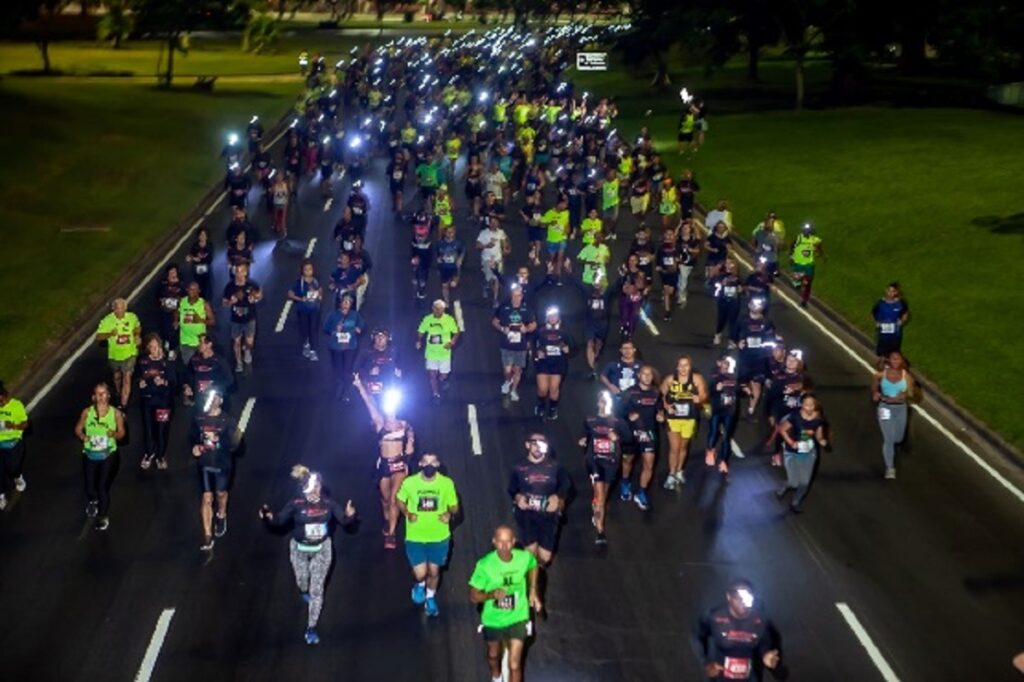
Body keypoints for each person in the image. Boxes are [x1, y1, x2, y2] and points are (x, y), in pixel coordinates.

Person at [259, 465, 358, 645]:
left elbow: (344, 521)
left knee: (316, 590)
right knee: (302, 581)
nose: (315, 491)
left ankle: (311, 627)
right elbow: (279, 521)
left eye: (318, 487)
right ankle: (304, 589)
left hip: (322, 549)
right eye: (312, 487)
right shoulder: (295, 504)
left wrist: (350, 516)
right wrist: (268, 516)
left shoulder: (329, 504)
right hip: (299, 549)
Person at [468, 525, 542, 682]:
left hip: (518, 616)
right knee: (493, 655)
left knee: (515, 665)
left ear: (514, 542)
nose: (504, 546)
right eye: (500, 542)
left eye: (508, 542)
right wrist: (491, 594)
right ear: (494, 542)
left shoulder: (523, 557)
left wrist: (533, 590)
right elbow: (473, 596)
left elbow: (533, 565)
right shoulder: (485, 565)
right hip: (493, 619)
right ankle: (496, 676)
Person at [396, 452, 460, 617]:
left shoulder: (446, 484)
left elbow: (455, 507)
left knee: (434, 572)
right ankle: (419, 584)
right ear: (421, 464)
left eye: (433, 462)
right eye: (426, 462)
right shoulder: (410, 483)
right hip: (415, 536)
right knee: (420, 573)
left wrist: (449, 514)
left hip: (439, 537)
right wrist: (407, 513)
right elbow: (400, 500)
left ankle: (430, 598)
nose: (430, 465)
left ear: (438, 464)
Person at [353, 381, 414, 550]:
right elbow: (369, 404)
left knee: (394, 499)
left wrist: (410, 444)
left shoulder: (404, 424)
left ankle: (391, 534)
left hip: (399, 464)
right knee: (386, 500)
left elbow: (410, 439)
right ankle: (388, 519)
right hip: (384, 465)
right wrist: (359, 387)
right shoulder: (379, 422)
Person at [694, 580, 781, 681]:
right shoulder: (714, 616)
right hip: (719, 676)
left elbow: (764, 643)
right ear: (729, 597)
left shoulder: (760, 619)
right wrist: (705, 662)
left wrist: (766, 655)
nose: (743, 602)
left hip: (749, 677)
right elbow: (697, 636)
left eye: (747, 598)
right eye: (738, 598)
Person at [508, 434, 571, 567]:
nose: (537, 447)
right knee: (530, 553)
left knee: (545, 557)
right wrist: (518, 498)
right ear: (527, 445)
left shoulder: (555, 466)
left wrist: (558, 498)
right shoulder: (519, 467)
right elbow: (512, 489)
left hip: (548, 516)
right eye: (534, 443)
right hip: (527, 516)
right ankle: (532, 582)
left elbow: (566, 485)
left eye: (541, 443)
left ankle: (537, 570)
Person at [579, 391, 630, 545]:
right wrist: (583, 440)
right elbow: (585, 434)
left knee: (603, 494)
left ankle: (596, 505)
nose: (603, 404)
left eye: (606, 402)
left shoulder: (618, 421)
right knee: (601, 496)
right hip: (594, 461)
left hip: (611, 461)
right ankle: (600, 532)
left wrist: (618, 438)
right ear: (597, 403)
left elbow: (629, 438)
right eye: (601, 401)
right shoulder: (590, 419)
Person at [191, 389, 239, 550]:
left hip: (222, 463)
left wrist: (219, 439)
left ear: (221, 401)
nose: (212, 401)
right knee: (206, 498)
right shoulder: (199, 418)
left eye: (215, 398)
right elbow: (192, 436)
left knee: (220, 494)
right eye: (209, 398)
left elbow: (235, 444)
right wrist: (195, 447)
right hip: (204, 463)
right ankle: (207, 536)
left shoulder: (228, 420)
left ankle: (221, 514)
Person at [74, 383, 126, 530]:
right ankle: (93, 500)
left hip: (107, 454)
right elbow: (78, 428)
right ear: (93, 397)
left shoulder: (115, 413)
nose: (101, 397)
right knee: (90, 488)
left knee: (102, 487)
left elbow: (122, 434)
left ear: (109, 395)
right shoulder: (87, 412)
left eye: (104, 393)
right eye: (98, 394)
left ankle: (102, 516)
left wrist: (114, 434)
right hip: (90, 454)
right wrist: (82, 436)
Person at [775, 393, 828, 513]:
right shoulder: (795, 416)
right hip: (792, 452)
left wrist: (822, 441)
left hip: (809, 453)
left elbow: (819, 435)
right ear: (802, 405)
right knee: (794, 482)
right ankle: (785, 485)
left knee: (804, 482)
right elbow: (782, 429)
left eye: (812, 405)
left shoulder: (818, 419)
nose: (809, 408)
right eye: (806, 405)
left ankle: (796, 502)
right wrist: (791, 442)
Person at [619, 365, 662, 510]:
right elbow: (618, 412)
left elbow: (659, 409)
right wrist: (629, 415)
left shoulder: (656, 393)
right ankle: (625, 482)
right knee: (628, 460)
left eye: (650, 374)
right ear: (639, 376)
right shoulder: (629, 393)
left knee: (649, 463)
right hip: (631, 433)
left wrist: (660, 415)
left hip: (648, 432)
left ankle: (641, 492)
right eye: (644, 374)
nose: (648, 377)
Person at [661, 355, 708, 489]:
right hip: (673, 418)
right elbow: (660, 394)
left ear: (690, 366)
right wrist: (666, 406)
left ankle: (679, 470)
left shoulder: (696, 378)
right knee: (674, 447)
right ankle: (671, 474)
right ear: (677, 367)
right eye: (680, 365)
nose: (683, 368)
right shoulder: (670, 379)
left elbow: (704, 394)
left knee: (683, 447)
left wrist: (699, 398)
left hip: (689, 417)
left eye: (686, 365)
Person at [871, 351, 916, 480]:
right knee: (888, 439)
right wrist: (875, 393)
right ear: (889, 360)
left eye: (898, 359)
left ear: (902, 361)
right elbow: (874, 386)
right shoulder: (880, 375)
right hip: (884, 408)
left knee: (898, 438)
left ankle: (893, 448)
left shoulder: (906, 376)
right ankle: (890, 468)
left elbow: (911, 393)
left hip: (900, 409)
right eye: (893, 359)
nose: (895, 361)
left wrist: (904, 394)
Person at [492, 284, 537, 402]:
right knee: (507, 370)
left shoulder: (527, 309)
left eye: (519, 296)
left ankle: (514, 389)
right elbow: (495, 321)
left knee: (517, 370)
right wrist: (502, 329)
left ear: (522, 296)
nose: (517, 298)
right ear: (511, 295)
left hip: (520, 345)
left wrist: (526, 329)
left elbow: (533, 324)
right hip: (506, 344)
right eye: (515, 295)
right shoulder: (504, 307)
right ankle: (507, 381)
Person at [137, 334, 175, 471]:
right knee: (148, 429)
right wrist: (140, 382)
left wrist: (164, 382)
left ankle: (161, 455)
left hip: (163, 401)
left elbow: (173, 382)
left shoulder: (167, 363)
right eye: (151, 347)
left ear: (160, 346)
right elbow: (138, 376)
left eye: (155, 346)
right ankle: (149, 453)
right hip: (147, 400)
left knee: (161, 429)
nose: (153, 349)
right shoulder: (143, 362)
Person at [95, 298, 142, 409]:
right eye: (117, 308)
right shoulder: (107, 321)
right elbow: (98, 336)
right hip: (114, 355)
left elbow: (137, 327)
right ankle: (117, 390)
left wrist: (136, 336)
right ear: (113, 309)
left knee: (127, 377)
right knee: (117, 376)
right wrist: (110, 334)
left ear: (126, 308)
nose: (120, 310)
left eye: (122, 308)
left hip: (130, 353)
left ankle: (123, 404)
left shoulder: (132, 317)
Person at [732, 297, 776, 415]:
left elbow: (771, 339)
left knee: (757, 383)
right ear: (749, 306)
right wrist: (738, 343)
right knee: (742, 383)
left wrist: (767, 348)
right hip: (745, 357)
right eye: (754, 305)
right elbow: (734, 334)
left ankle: (752, 406)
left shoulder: (767, 323)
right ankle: (745, 391)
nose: (756, 307)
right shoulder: (743, 320)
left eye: (759, 305)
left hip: (760, 358)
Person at [416, 300, 460, 402]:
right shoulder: (427, 320)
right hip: (431, 353)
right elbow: (421, 331)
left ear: (443, 310)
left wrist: (452, 342)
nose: (437, 311)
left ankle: (443, 379)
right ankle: (435, 394)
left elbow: (456, 332)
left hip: (444, 353)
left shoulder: (449, 320)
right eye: (435, 308)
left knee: (444, 375)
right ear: (432, 308)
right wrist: (418, 341)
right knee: (432, 375)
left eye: (440, 309)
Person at [222, 262, 262, 373]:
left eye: (241, 271)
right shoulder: (230, 286)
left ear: (245, 272)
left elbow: (259, 295)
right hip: (236, 319)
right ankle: (239, 363)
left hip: (249, 318)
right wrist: (230, 302)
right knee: (236, 342)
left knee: (250, 342)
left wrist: (255, 299)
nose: (239, 274)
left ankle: (247, 351)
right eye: (237, 271)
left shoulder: (252, 284)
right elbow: (224, 302)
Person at [322, 294, 365, 401]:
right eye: (344, 302)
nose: (346, 304)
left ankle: (346, 391)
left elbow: (362, 324)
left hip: (350, 346)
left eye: (348, 302)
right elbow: (325, 328)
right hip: (336, 346)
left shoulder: (355, 315)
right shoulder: (332, 315)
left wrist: (359, 328)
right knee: (338, 369)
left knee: (347, 369)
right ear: (339, 303)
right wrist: (335, 329)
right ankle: (338, 388)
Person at [533, 307, 572, 420]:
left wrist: (567, 349)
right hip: (543, 363)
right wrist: (537, 353)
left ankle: (552, 408)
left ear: (558, 317)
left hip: (558, 364)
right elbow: (532, 344)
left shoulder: (564, 331)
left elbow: (573, 347)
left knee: (554, 389)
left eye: (554, 316)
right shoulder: (540, 330)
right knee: (543, 389)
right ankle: (541, 405)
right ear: (546, 317)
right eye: (550, 316)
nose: (552, 318)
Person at [706, 355, 740, 476]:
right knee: (714, 431)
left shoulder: (734, 376)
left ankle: (724, 461)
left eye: (727, 363)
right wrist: (716, 388)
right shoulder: (713, 375)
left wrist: (745, 390)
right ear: (719, 363)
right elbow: (708, 391)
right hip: (716, 409)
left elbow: (738, 390)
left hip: (729, 411)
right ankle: (710, 450)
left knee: (726, 436)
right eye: (723, 362)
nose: (725, 365)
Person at [0, 382, 29, 511]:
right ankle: (1, 495)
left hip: (14, 443)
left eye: (1, 401)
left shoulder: (16, 406)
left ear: (4, 396)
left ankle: (17, 476)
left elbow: (25, 424)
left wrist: (14, 426)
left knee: (13, 468)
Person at [286, 260, 323, 362]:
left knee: (313, 329)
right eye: (306, 269)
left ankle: (313, 350)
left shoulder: (315, 281)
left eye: (310, 269)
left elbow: (320, 291)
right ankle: (306, 343)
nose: (308, 271)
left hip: (314, 310)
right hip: (303, 310)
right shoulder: (299, 282)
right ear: (302, 271)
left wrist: (319, 296)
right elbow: (290, 294)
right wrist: (300, 299)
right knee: (304, 329)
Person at [177, 281, 215, 367]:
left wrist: (200, 320)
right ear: (187, 290)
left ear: (199, 291)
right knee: (189, 367)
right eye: (190, 289)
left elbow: (212, 321)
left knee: (202, 365)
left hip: (200, 343)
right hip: (185, 341)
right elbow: (176, 312)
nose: (192, 291)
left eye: (194, 290)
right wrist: (176, 320)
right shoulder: (182, 302)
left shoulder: (204, 304)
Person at [477, 215, 511, 305]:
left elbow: (505, 242)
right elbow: (477, 246)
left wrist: (505, 249)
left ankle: (495, 299)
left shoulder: (501, 232)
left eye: (496, 222)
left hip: (497, 259)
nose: (494, 224)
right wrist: (486, 246)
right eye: (492, 223)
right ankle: (486, 284)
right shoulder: (484, 233)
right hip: (487, 259)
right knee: (490, 279)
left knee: (496, 278)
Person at [789, 223, 824, 307]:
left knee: (808, 283)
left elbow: (819, 246)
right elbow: (791, 246)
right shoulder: (799, 238)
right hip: (799, 264)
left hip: (808, 265)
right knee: (797, 283)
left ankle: (804, 300)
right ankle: (799, 285)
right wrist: (791, 255)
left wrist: (821, 254)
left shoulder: (814, 240)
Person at [872, 282, 910, 361]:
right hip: (883, 333)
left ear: (896, 293)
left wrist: (902, 321)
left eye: (893, 291)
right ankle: (883, 370)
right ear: (886, 291)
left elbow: (905, 313)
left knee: (893, 355)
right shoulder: (880, 303)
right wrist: (877, 322)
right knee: (882, 356)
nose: (890, 293)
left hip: (895, 334)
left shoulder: (900, 303)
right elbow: (873, 313)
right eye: (889, 291)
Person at [710, 259, 743, 346]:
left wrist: (740, 289)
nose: (729, 265)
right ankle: (718, 334)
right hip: (723, 300)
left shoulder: (737, 277)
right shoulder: (721, 275)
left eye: (731, 263)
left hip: (734, 301)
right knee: (721, 319)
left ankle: (732, 339)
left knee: (733, 321)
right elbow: (713, 285)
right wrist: (721, 283)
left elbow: (742, 287)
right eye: (727, 263)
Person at [155, 264, 184, 361]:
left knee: (174, 330)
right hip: (164, 310)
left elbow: (185, 299)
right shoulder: (163, 284)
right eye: (171, 272)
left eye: (174, 272)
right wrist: (161, 300)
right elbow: (157, 296)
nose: (173, 274)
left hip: (176, 312)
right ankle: (166, 342)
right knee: (164, 329)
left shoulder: (182, 284)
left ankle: (172, 349)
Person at [435, 225, 466, 305]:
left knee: (453, 284)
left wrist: (460, 259)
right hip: (444, 268)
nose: (449, 234)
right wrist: (438, 259)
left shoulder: (458, 243)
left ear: (454, 233)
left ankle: (455, 297)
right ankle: (446, 301)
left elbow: (463, 252)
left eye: (451, 232)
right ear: (445, 233)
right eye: (448, 232)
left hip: (454, 268)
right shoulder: (440, 243)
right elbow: (437, 254)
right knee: (444, 285)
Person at [752, 212, 785, 278]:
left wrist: (778, 247)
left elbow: (781, 242)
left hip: (770, 255)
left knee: (774, 267)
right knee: (759, 266)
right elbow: (754, 239)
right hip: (761, 253)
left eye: (772, 221)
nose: (769, 224)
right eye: (769, 222)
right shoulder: (760, 231)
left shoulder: (776, 232)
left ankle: (775, 271)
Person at [186, 227, 214, 300]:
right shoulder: (195, 246)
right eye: (201, 235)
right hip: (196, 269)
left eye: (204, 235)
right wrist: (191, 258)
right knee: (197, 284)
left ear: (207, 236)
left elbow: (210, 258)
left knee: (207, 286)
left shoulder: (209, 246)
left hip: (206, 269)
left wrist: (200, 259)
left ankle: (207, 300)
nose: (202, 237)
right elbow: (191, 256)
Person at [271, 170, 289, 238]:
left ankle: (283, 231)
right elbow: (272, 193)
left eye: (280, 177)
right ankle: (276, 226)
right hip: (276, 203)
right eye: (278, 177)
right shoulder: (274, 185)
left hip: (283, 203)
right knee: (276, 217)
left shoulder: (285, 184)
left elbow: (287, 194)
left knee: (283, 219)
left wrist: (287, 201)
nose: (279, 178)